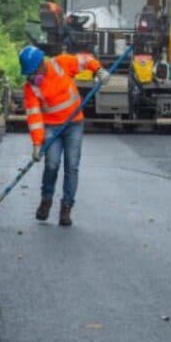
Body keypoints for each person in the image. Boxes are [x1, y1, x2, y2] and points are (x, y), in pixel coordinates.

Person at [19, 45, 108, 226]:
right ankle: (46, 200)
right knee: (51, 164)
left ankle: (66, 208)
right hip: (52, 128)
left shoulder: (61, 63)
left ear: (42, 64)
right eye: (29, 73)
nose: (32, 76)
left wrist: (99, 70)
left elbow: (85, 59)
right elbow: (34, 117)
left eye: (33, 71)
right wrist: (37, 144)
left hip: (74, 124)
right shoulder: (31, 88)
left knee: (71, 166)